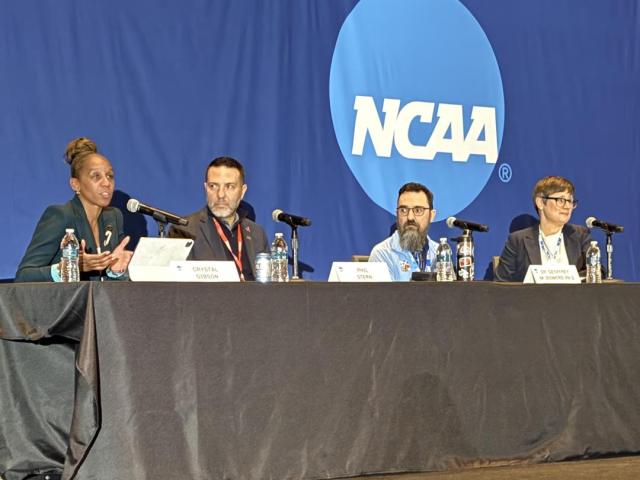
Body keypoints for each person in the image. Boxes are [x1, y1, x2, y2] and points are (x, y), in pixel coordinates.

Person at [15, 138, 133, 282]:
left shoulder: (113, 217)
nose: (107, 183)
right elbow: (24, 276)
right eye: (96, 176)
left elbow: (108, 281)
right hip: (67, 303)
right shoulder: (61, 215)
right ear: (75, 184)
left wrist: (116, 271)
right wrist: (70, 267)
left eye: (110, 176)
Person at [169, 156, 268, 281]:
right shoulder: (184, 229)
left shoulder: (257, 234)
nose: (220, 195)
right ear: (206, 189)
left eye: (230, 186)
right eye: (213, 186)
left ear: (242, 192)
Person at [494, 175, 592, 282]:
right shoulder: (518, 241)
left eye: (570, 201)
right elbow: (501, 283)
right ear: (540, 203)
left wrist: (567, 278)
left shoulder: (580, 235)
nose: (567, 206)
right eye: (561, 200)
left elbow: (598, 270)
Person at [369, 182, 439, 281]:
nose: (410, 217)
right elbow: (382, 296)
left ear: (431, 216)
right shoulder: (382, 254)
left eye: (418, 210)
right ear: (397, 214)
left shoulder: (440, 253)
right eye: (403, 210)